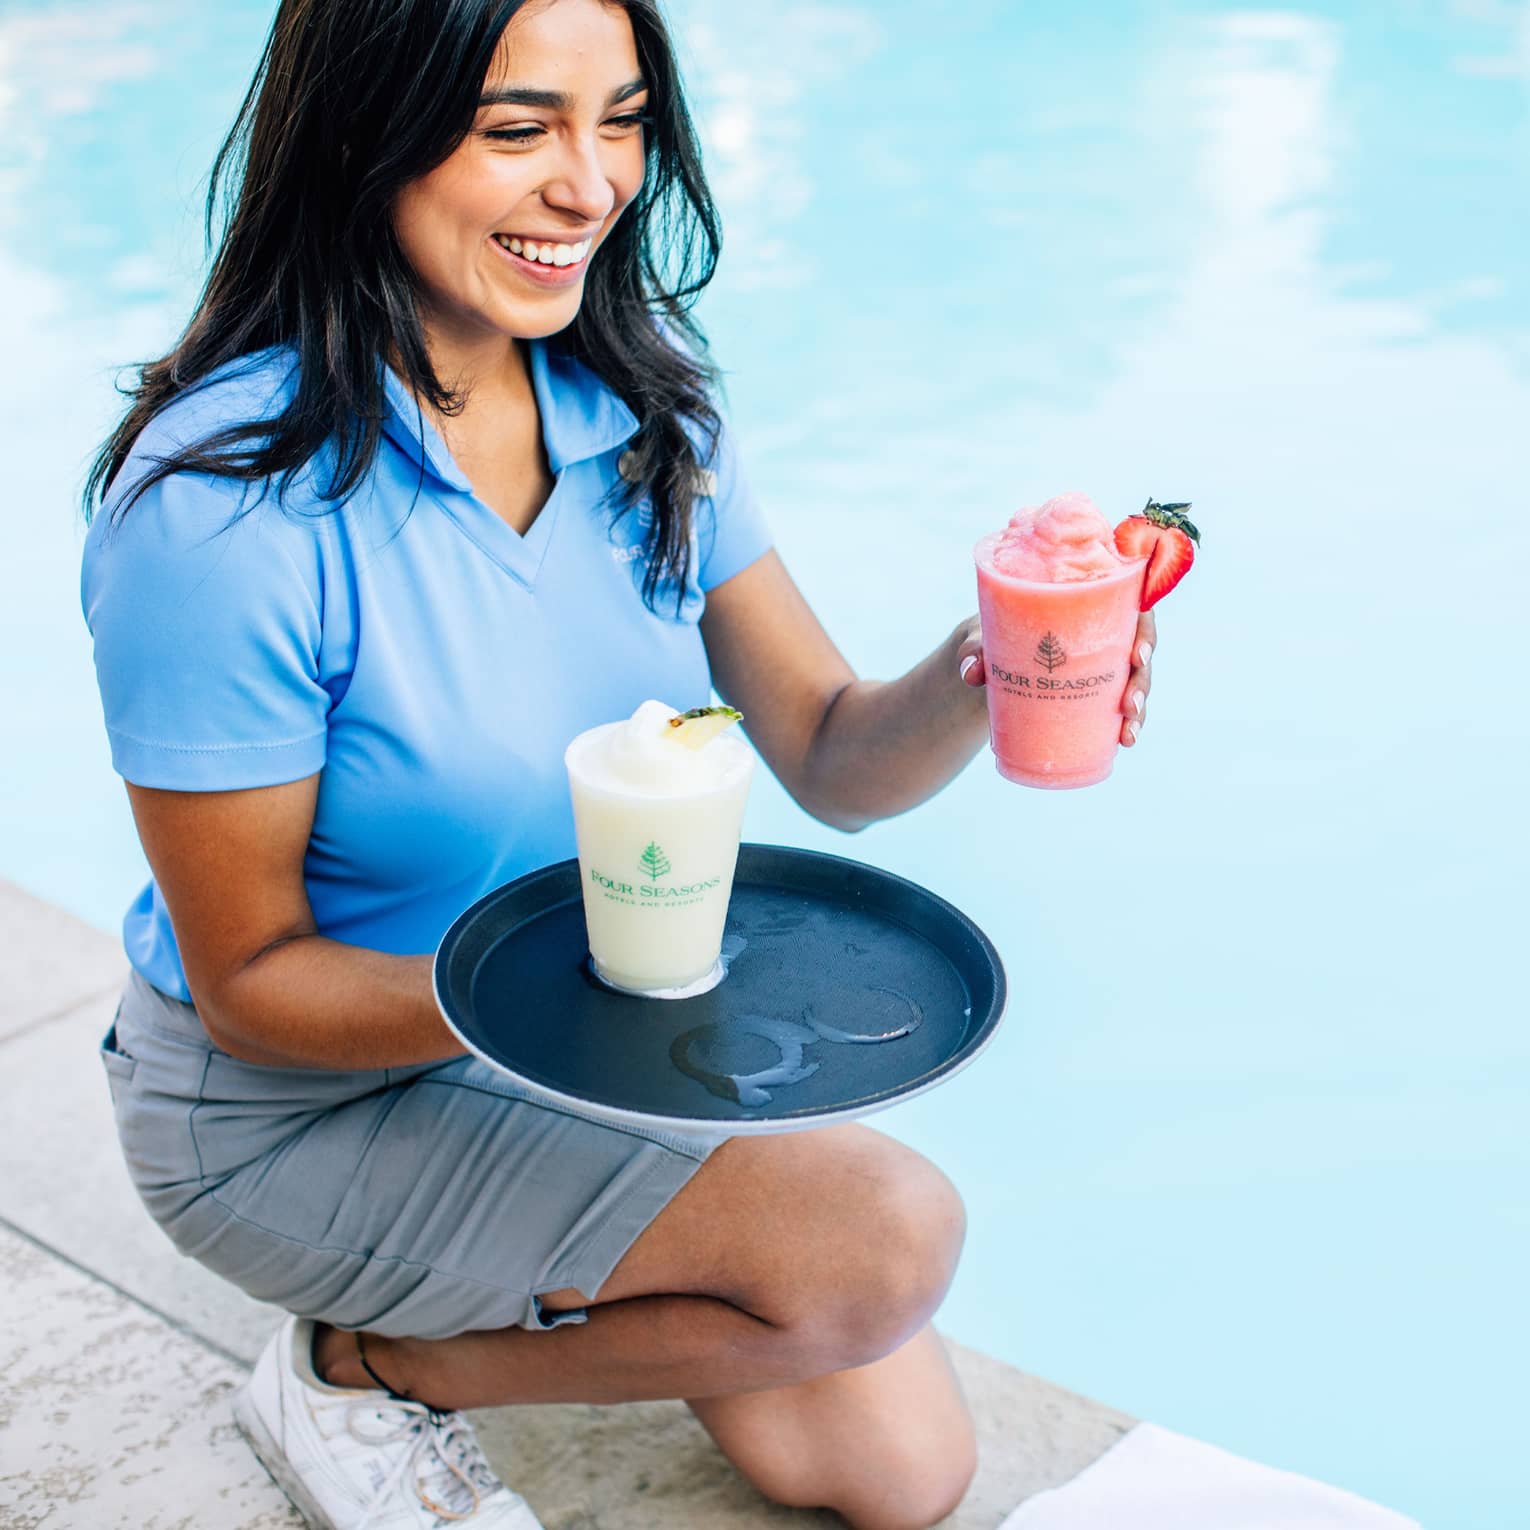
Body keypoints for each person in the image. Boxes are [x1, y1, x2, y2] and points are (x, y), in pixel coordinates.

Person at [80, 2, 1158, 1528]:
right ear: (360, 136)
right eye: (519, 129)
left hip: (581, 1033)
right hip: (289, 1105)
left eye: (625, 121)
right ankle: (366, 1368)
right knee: (881, 1239)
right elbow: (253, 976)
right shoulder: (223, 510)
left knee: (896, 1472)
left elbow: (834, 756)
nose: (591, 184)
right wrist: (605, 995)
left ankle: (525, 1274)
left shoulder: (651, 414)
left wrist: (998, 667)